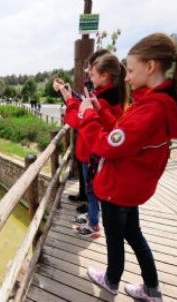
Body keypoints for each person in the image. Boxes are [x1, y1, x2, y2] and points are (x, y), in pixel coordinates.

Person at [78, 33, 177, 301]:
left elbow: (106, 145)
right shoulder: (157, 103)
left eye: (130, 70)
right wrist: (101, 112)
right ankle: (152, 289)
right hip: (132, 186)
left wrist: (86, 116)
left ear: (150, 66)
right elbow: (123, 134)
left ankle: (111, 280)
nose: (127, 78)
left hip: (118, 189)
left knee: (115, 239)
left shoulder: (151, 109)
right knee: (134, 235)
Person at [55, 51, 127, 238]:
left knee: (92, 191)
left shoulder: (103, 100)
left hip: (93, 155)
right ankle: (93, 217)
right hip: (94, 154)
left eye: (92, 73)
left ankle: (94, 225)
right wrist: (70, 94)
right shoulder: (108, 96)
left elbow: (75, 119)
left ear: (105, 76)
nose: (89, 75)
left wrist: (67, 97)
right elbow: (84, 108)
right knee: (92, 190)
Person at [66, 49, 111, 207]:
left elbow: (78, 119)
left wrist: (70, 100)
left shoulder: (106, 97)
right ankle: (87, 203)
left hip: (91, 149)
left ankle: (92, 215)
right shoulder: (102, 94)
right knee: (88, 182)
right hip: (88, 147)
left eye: (91, 70)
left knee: (92, 185)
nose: (88, 73)